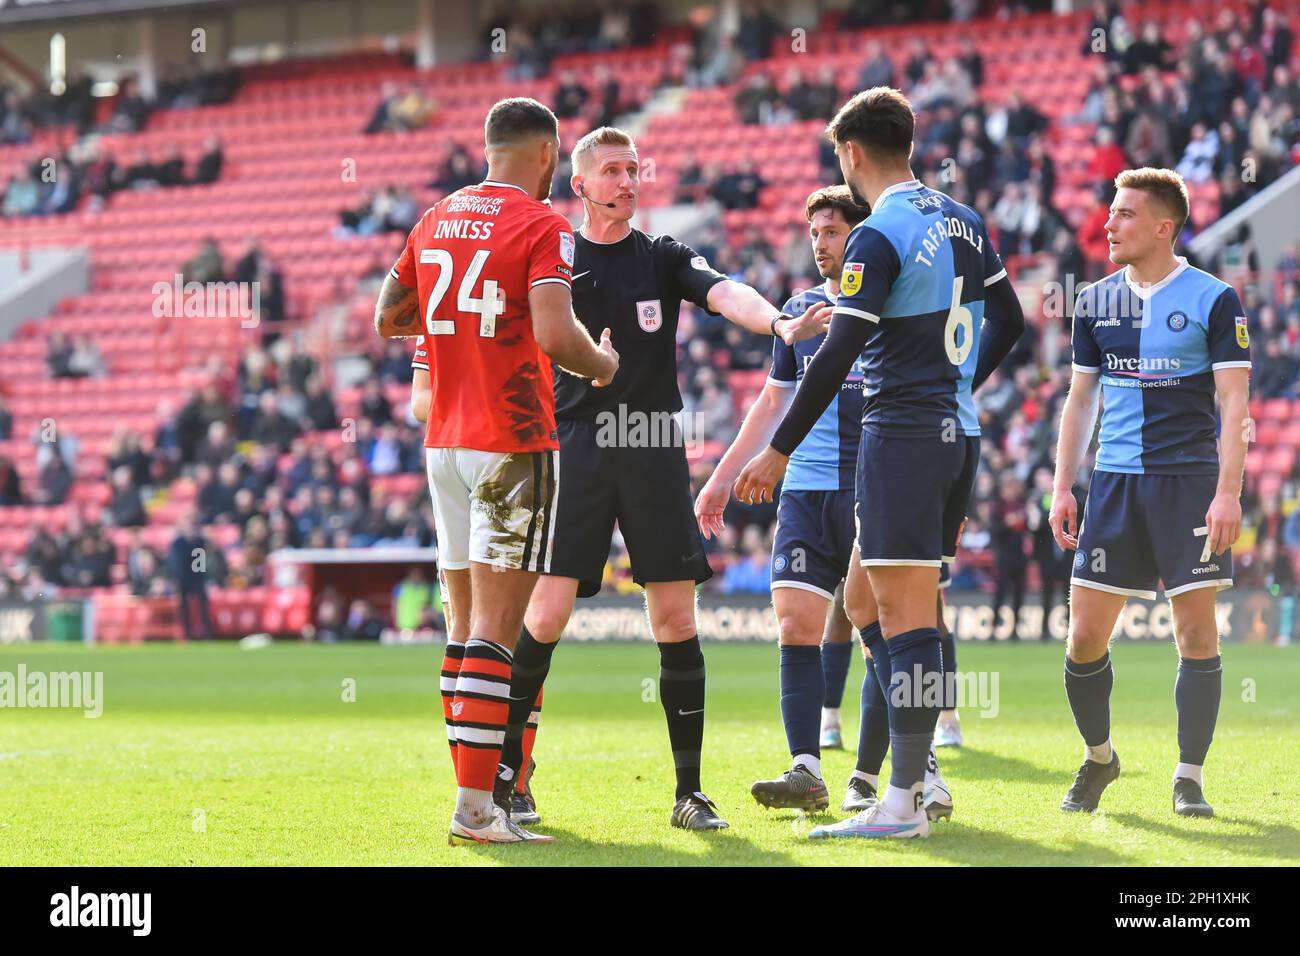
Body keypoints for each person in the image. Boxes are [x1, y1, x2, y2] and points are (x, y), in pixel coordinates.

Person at [489, 125, 831, 833]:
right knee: (546, 616)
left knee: (675, 618)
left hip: (650, 445)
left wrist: (778, 324)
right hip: (575, 447)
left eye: (635, 170)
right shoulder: (551, 253)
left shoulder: (663, 257)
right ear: (578, 184)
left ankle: (688, 793)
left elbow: (723, 291)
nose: (628, 181)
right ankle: (507, 781)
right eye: (612, 170)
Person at [735, 87, 1023, 839]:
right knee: (866, 604)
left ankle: (904, 799)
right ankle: (915, 775)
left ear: (851, 155)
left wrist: (777, 448)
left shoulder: (880, 233)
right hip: (958, 436)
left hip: (900, 436)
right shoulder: (965, 220)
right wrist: (959, 384)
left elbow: (836, 356)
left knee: (901, 617)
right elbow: (1014, 320)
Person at [376, 97, 618, 845]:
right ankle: (479, 809)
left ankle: (475, 799)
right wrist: (603, 362)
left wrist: (463, 334)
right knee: (497, 634)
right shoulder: (544, 225)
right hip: (511, 441)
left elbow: (390, 318)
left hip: (443, 442)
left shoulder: (436, 216)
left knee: (459, 630)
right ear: (548, 154)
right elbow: (553, 330)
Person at [1048, 167, 1250, 819]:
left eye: (1126, 214)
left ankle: (1188, 777)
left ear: (1165, 226)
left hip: (1188, 486)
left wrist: (1227, 493)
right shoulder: (1095, 301)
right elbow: (1080, 400)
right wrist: (1061, 486)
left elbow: (1235, 401)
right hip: (1114, 488)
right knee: (1083, 640)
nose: (1110, 223)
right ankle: (1100, 757)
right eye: (1112, 212)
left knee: (1196, 635)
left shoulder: (1215, 299)